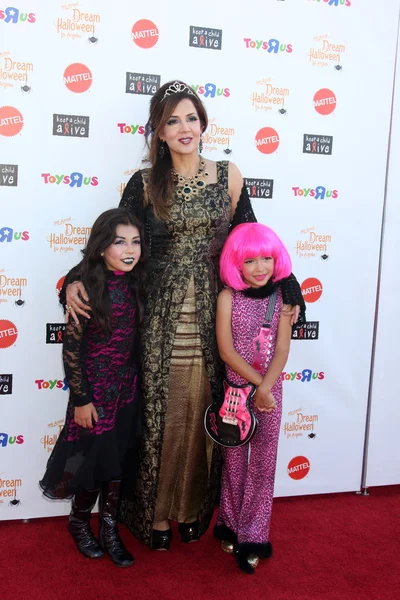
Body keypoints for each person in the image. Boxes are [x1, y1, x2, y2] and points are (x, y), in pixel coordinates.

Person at [62, 80, 305, 550]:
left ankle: (193, 509)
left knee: (204, 409)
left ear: (203, 122)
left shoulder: (229, 175)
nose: (184, 128)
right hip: (158, 315)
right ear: (158, 130)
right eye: (172, 120)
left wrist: (289, 284)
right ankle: (155, 516)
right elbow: (117, 236)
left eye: (190, 117)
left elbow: (250, 240)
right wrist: (75, 276)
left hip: (218, 313)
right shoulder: (144, 181)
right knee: (162, 414)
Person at [40, 208, 147, 568]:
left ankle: (111, 529)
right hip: (93, 394)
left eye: (135, 241)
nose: (130, 249)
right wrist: (82, 400)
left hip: (127, 390)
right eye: (120, 242)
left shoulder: (137, 281)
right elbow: (71, 351)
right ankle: (79, 522)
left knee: (116, 462)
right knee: (90, 462)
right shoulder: (85, 288)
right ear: (102, 247)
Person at [213, 223, 293, 574]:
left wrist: (266, 388)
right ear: (236, 264)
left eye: (267, 258)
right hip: (236, 395)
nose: (260, 267)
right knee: (233, 465)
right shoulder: (227, 298)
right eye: (250, 261)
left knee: (263, 466)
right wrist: (257, 386)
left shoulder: (284, 300)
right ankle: (229, 525)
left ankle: (254, 536)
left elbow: (283, 348)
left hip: (270, 395)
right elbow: (227, 352)